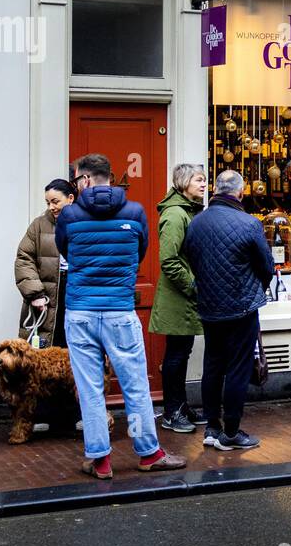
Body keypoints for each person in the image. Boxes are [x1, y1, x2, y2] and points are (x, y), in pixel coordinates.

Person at [57, 153, 185, 479]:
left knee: (89, 389)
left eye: (76, 179)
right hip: (119, 311)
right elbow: (140, 250)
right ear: (109, 177)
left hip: (81, 311)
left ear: (84, 180)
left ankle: (100, 460)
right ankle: (149, 453)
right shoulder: (135, 212)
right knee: (136, 385)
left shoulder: (69, 215)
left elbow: (65, 251)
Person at [184, 169, 274, 451]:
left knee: (212, 365)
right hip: (241, 306)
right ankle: (232, 432)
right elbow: (267, 267)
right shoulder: (248, 223)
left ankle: (212, 427)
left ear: (215, 191)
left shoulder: (197, 222)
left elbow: (190, 256)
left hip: (210, 305)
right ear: (240, 192)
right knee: (237, 368)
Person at [149, 163, 207, 433]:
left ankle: (180, 406)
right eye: (198, 180)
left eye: (204, 179)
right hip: (178, 297)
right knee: (176, 354)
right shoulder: (175, 215)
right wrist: (193, 286)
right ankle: (172, 412)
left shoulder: (188, 211)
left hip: (184, 297)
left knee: (182, 353)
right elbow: (169, 260)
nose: (204, 184)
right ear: (184, 183)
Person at [14, 178, 75, 348]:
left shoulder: (85, 223)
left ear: (70, 198)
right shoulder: (39, 225)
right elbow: (24, 258)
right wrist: (35, 294)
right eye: (48, 202)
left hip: (75, 288)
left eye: (55, 201)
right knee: (46, 347)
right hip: (47, 293)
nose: (51, 207)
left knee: (75, 344)